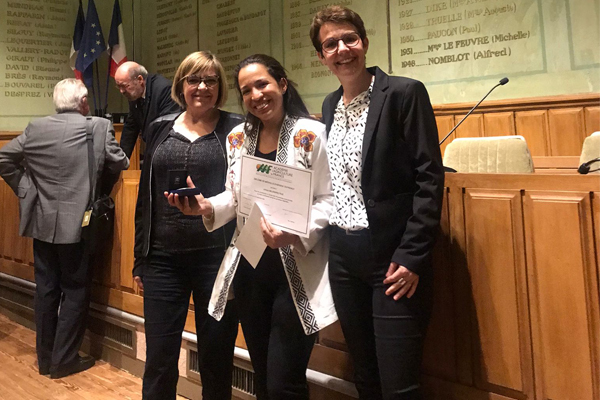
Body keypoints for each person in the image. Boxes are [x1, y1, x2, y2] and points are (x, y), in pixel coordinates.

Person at [167, 54, 337, 400]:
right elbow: (236, 197)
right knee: (262, 375)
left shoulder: (311, 134)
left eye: (262, 84)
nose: (256, 95)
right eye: (247, 90)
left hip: (295, 271)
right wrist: (205, 206)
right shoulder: (237, 138)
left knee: (282, 382)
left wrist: (296, 231)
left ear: (282, 85)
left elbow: (330, 200)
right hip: (251, 270)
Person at [310, 6, 445, 400]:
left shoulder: (404, 93)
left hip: (393, 254)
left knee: (398, 382)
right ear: (322, 57)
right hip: (344, 256)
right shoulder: (330, 106)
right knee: (365, 376)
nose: (342, 49)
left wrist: (413, 255)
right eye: (330, 44)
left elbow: (429, 178)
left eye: (349, 39)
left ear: (364, 43)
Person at [0, 78, 129, 379]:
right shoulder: (97, 126)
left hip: (42, 221)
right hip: (80, 223)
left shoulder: (36, 127)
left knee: (46, 290)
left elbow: (4, 158)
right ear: (84, 102)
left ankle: (45, 360)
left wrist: (26, 190)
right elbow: (121, 161)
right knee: (75, 291)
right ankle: (64, 360)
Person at [132, 51, 242, 400]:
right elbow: (145, 199)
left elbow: (242, 193)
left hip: (217, 261)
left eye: (210, 80)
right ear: (181, 84)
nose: (202, 87)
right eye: (194, 79)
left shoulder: (236, 128)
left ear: (220, 86)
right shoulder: (159, 126)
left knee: (216, 358)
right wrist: (140, 257)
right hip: (163, 261)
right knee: (160, 361)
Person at [115, 61, 181, 158]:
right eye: (118, 86)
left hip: (169, 151)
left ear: (140, 80)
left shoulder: (164, 90)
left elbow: (166, 128)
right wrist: (121, 160)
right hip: (152, 148)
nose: (121, 91)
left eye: (124, 86)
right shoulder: (135, 93)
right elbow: (131, 128)